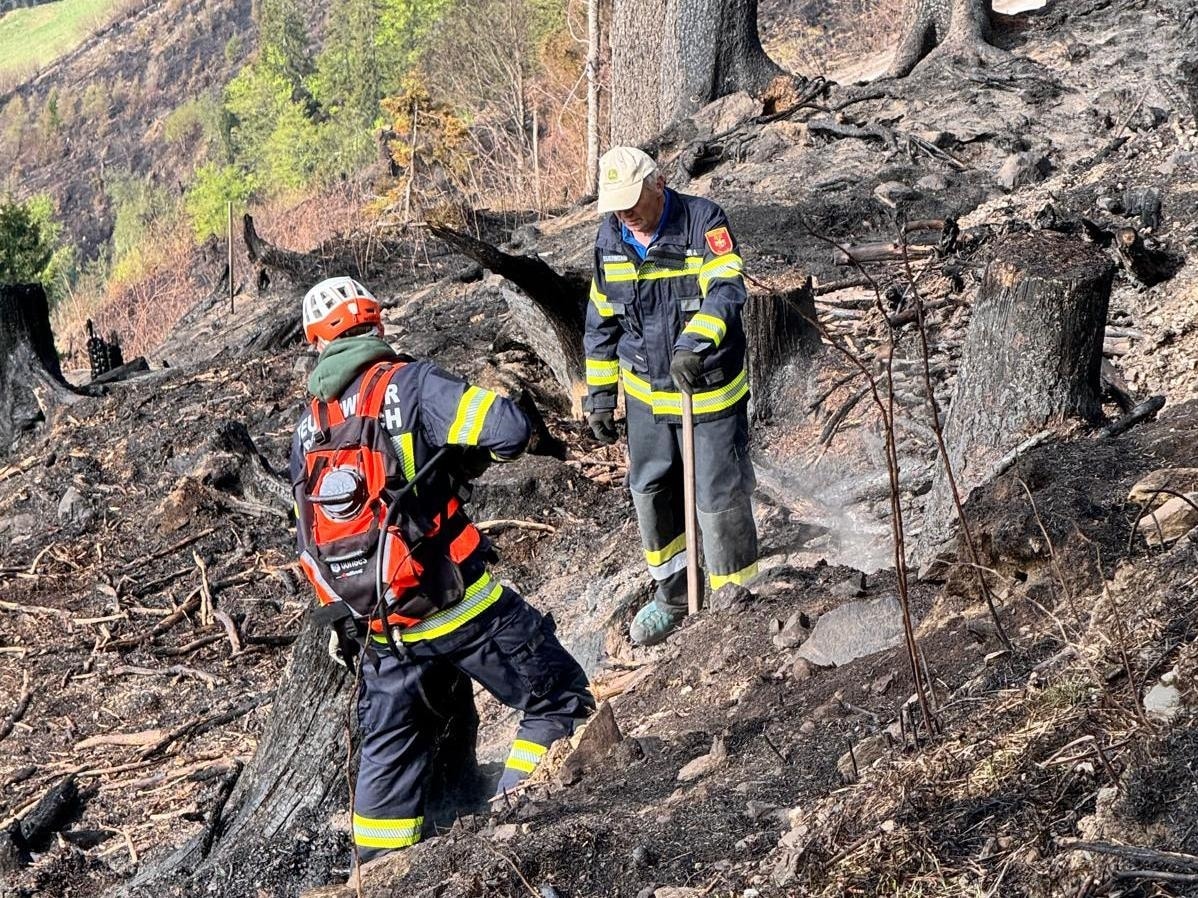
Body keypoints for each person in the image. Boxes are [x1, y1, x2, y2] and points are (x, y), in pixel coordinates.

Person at [290, 276, 594, 862]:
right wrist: (469, 451)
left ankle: (381, 873)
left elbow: (307, 537)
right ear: (375, 323)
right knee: (559, 698)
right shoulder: (410, 384)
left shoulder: (308, 428)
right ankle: (515, 821)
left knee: (382, 816)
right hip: (458, 607)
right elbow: (509, 430)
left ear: (317, 343)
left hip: (381, 632)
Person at [583, 146, 759, 647]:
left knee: (718, 496)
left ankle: (734, 603)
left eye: (631, 199)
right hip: (645, 395)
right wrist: (600, 393)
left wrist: (693, 344)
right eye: (616, 204)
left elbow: (726, 290)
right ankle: (674, 596)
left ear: (658, 184)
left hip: (706, 390)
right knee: (651, 492)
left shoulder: (703, 222)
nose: (625, 213)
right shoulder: (610, 239)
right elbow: (601, 320)